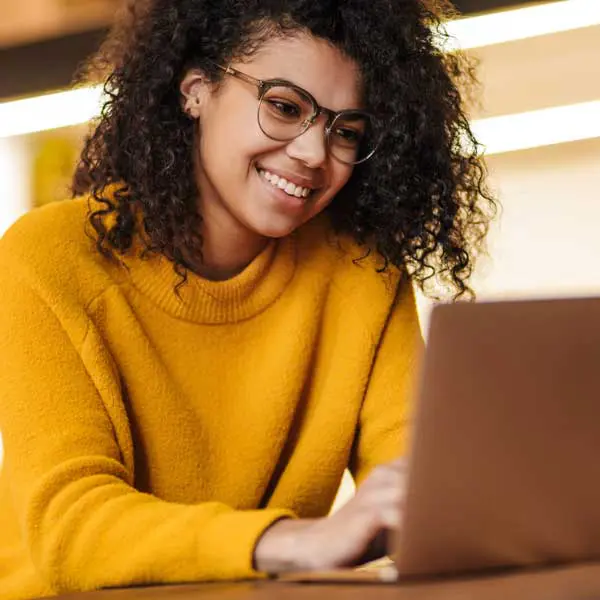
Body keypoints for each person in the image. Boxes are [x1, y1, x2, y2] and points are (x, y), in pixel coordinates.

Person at [0, 0, 496, 597]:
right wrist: (293, 542)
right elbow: (70, 528)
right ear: (196, 91)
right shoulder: (48, 258)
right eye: (285, 107)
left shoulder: (361, 272)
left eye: (346, 132)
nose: (314, 154)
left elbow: (419, 480)